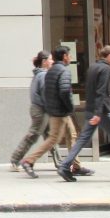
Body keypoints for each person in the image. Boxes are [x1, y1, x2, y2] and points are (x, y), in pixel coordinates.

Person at [57, 46, 110, 182]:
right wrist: (98, 113)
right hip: (101, 111)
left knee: (82, 139)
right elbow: (101, 91)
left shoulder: (93, 67)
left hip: (91, 109)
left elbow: (91, 89)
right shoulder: (106, 68)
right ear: (109, 56)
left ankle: (65, 165)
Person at [21, 45, 91, 179]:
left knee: (71, 135)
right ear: (64, 56)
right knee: (54, 139)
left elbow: (47, 92)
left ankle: (75, 166)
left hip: (55, 110)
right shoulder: (63, 71)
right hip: (61, 111)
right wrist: (70, 107)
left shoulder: (51, 71)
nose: (70, 58)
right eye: (69, 55)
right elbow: (64, 91)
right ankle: (29, 161)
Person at [9, 50, 60, 171]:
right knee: (33, 135)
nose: (52, 61)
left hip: (41, 109)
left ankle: (59, 162)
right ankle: (15, 160)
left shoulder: (39, 74)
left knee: (51, 136)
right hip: (41, 110)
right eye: (50, 59)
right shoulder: (43, 75)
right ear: (44, 61)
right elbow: (45, 94)